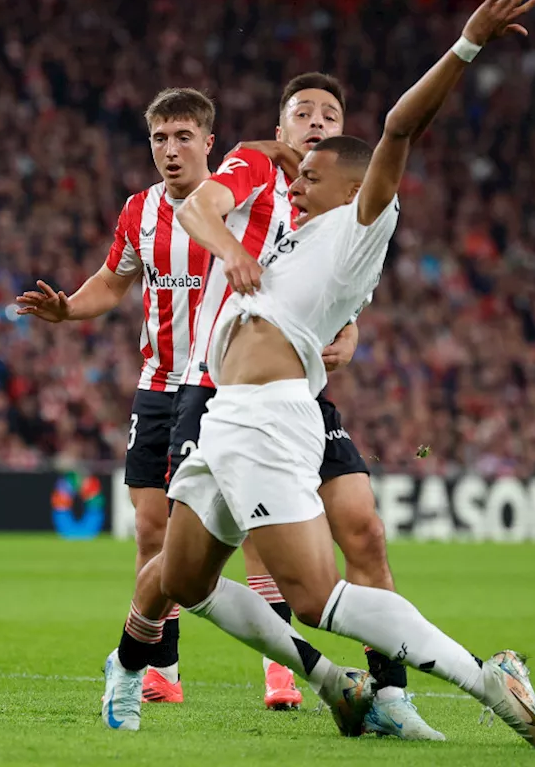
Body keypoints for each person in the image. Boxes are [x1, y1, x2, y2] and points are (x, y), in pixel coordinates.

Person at [101, 0, 535, 749]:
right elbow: (221, 211)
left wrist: (467, 43)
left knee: (315, 596)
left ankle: (485, 675)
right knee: (185, 580)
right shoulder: (297, 229)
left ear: (356, 184)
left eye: (314, 175)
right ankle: (202, 666)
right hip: (224, 418)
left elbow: (400, 127)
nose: (298, 184)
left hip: (268, 418)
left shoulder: (359, 221)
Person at [123, 72, 441, 738]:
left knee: (365, 531)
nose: (317, 121)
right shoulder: (255, 162)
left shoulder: (336, 206)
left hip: (298, 397)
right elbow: (197, 207)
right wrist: (234, 249)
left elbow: (344, 287)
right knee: (188, 554)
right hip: (220, 389)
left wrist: (351, 329)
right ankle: (141, 656)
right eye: (304, 112)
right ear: (283, 125)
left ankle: (389, 691)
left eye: (330, 112)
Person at [16, 88, 217, 702]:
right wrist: (68, 309)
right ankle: (164, 669)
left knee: (215, 531)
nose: (170, 149)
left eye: (183, 136)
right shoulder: (139, 210)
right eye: (160, 138)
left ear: (209, 142)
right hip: (157, 383)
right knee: (150, 526)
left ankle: (280, 667)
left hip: (217, 382)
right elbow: (112, 280)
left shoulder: (236, 205)